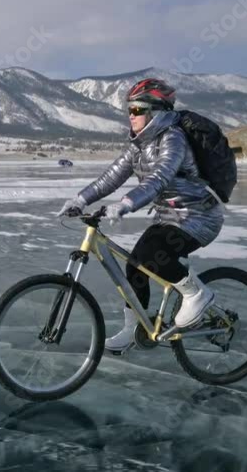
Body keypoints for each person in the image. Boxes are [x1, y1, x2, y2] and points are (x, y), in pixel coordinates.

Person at [56, 78, 224, 353]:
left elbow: (158, 179)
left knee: (153, 255)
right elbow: (111, 176)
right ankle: (133, 330)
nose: (130, 115)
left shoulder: (173, 139)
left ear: (155, 112)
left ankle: (197, 293)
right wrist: (80, 199)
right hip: (169, 216)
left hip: (198, 216)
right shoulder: (139, 145)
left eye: (136, 110)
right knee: (136, 265)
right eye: (129, 110)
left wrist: (125, 204)